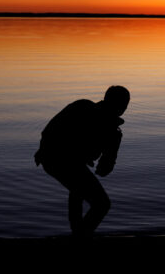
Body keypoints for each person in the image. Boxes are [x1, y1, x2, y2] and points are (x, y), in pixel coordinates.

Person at [34, 86, 130, 238]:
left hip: (56, 159)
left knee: (78, 189)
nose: (122, 109)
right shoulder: (83, 107)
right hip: (55, 158)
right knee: (101, 204)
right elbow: (50, 131)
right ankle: (81, 236)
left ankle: (78, 233)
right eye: (122, 105)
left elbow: (104, 169)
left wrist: (108, 156)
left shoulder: (112, 131)